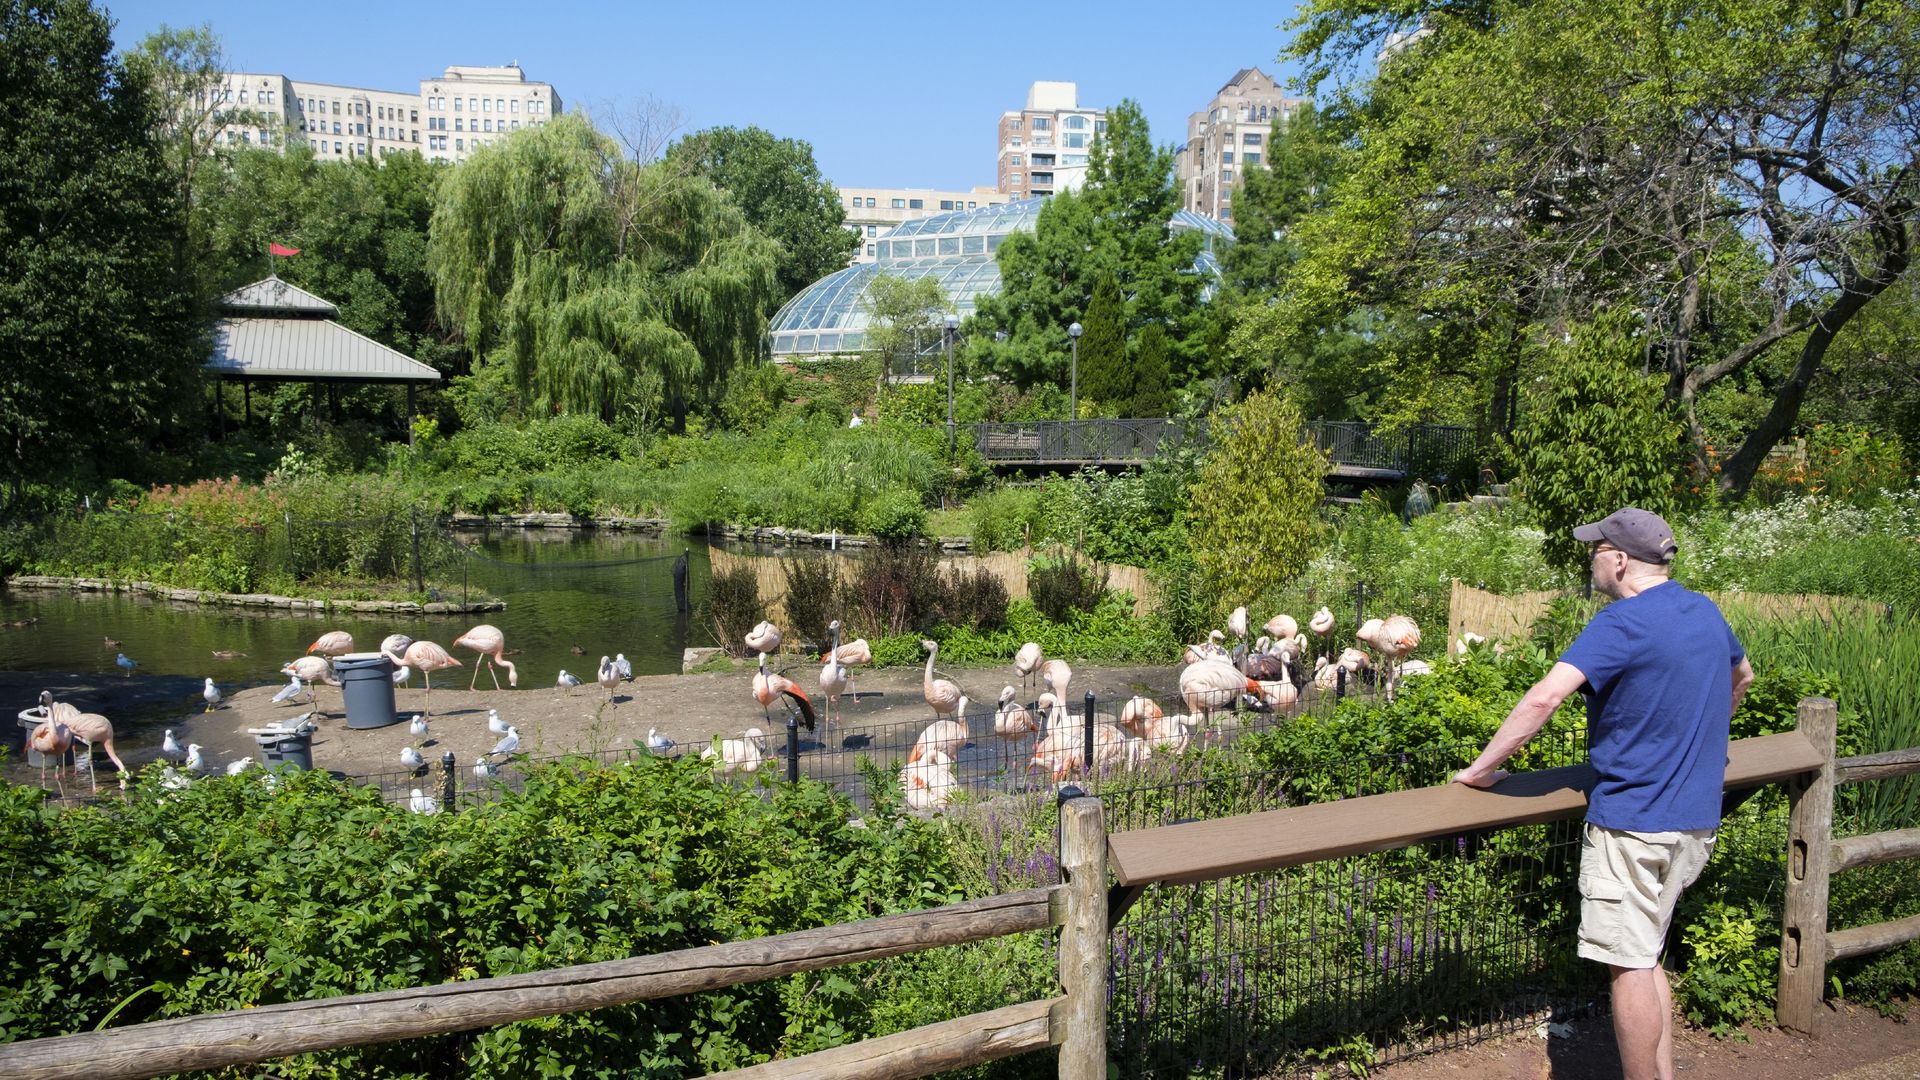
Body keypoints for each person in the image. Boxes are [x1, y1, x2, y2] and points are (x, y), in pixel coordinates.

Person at [1452, 507, 1754, 1080]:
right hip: (1694, 820)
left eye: (1595, 549)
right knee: (1648, 952)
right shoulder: (1704, 611)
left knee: (1629, 966)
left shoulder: (1620, 624)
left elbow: (1543, 700)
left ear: (1618, 560)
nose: (1590, 558)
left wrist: (1480, 769)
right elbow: (1744, 678)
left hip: (1633, 822)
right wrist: (1700, 737)